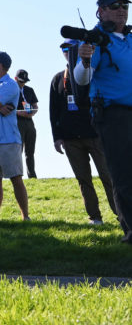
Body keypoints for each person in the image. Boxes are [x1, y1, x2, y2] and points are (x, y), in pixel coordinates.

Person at [73, 0, 132, 243]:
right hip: (112, 114)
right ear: (101, 11)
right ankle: (130, 231)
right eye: (115, 5)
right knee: (122, 174)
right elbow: (81, 78)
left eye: (125, 5)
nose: (121, 9)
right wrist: (84, 60)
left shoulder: (128, 38)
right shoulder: (95, 39)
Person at [50, 39, 116, 225]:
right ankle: (95, 217)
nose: (66, 51)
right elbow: (53, 110)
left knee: (108, 177)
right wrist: (57, 137)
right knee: (83, 180)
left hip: (96, 135)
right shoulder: (57, 79)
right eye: (63, 48)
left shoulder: (94, 73)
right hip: (71, 139)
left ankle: (122, 216)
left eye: (71, 48)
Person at [0, 51, 30, 222]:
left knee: (16, 178)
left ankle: (25, 216)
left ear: (0, 65)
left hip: (8, 140)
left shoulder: (10, 85)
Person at [14, 69, 40, 178]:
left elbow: (35, 106)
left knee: (30, 150)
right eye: (21, 81)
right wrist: (21, 113)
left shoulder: (29, 90)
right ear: (15, 79)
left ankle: (32, 175)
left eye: (24, 81)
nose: (23, 83)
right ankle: (17, 175)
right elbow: (7, 109)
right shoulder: (11, 91)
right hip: (17, 122)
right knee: (17, 150)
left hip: (29, 122)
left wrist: (31, 113)